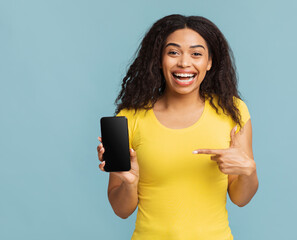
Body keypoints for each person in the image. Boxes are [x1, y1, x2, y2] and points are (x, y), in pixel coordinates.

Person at [96, 14, 258, 240]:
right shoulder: (130, 118)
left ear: (209, 62)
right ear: (159, 59)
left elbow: (241, 198)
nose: (184, 62)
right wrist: (130, 182)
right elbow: (121, 210)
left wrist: (248, 170)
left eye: (196, 54)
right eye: (173, 52)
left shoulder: (233, 111)